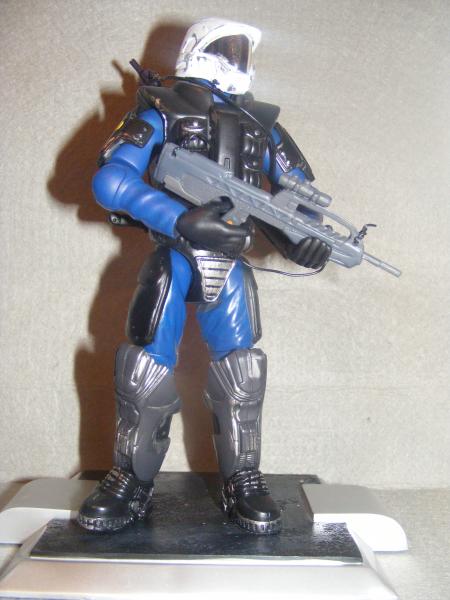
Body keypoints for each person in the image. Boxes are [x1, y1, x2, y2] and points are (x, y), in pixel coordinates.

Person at [77, 17, 331, 535]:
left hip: (230, 261)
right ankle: (129, 480)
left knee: (242, 373)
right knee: (144, 369)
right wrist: (178, 219)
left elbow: (299, 198)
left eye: (243, 52)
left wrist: (306, 238)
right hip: (175, 253)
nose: (238, 61)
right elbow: (111, 180)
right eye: (228, 49)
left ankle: (243, 479)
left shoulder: (263, 125)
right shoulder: (161, 109)